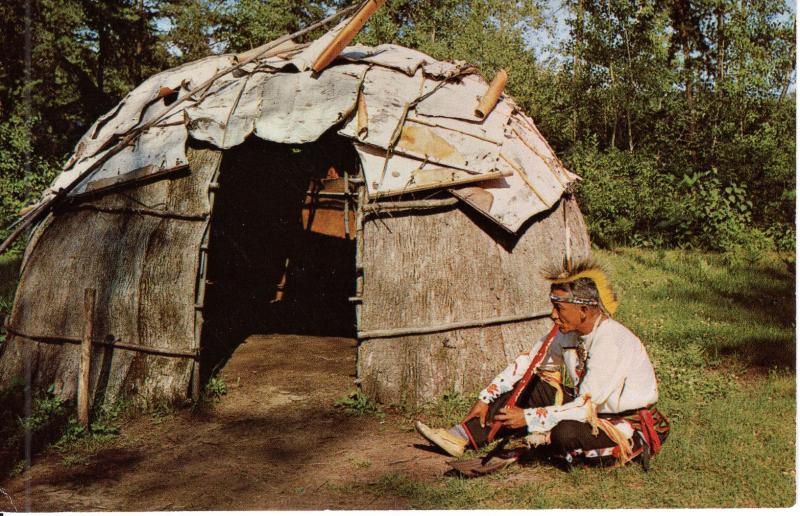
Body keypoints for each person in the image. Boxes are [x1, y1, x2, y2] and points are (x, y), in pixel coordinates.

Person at [415, 261, 669, 470]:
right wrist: (485, 397)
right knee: (533, 386)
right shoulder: (567, 333)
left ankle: (553, 444)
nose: (553, 315)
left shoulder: (612, 341)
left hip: (617, 422)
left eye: (559, 307)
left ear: (583, 309)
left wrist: (526, 417)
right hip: (587, 408)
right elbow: (528, 362)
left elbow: (584, 408)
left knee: (565, 434)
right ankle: (461, 436)